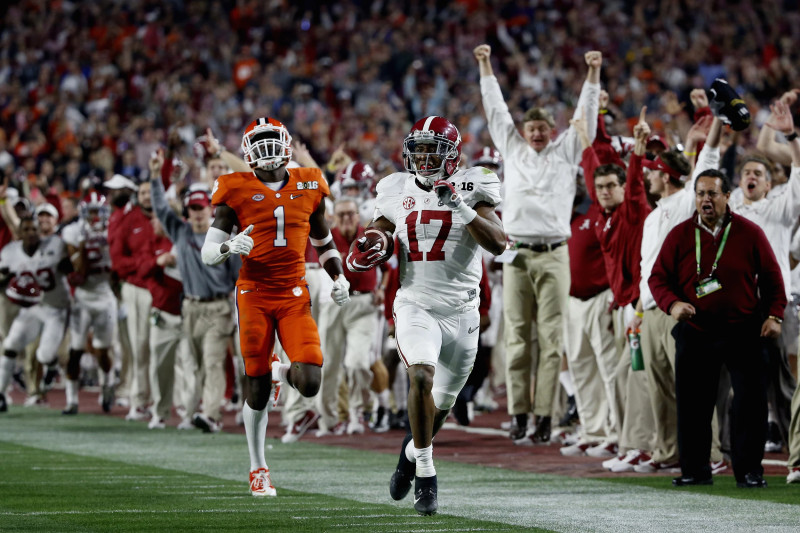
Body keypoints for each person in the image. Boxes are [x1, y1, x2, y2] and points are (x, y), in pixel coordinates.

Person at [347, 115, 505, 515]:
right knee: (419, 375)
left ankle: (409, 455)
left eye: (431, 149)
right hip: (416, 303)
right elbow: (378, 230)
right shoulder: (395, 188)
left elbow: (499, 244)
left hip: (463, 312)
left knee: (440, 406)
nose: (422, 157)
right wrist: (373, 243)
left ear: (451, 156)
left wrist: (464, 210)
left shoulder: (475, 184)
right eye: (417, 149)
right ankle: (427, 474)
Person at [201, 117, 350, 497]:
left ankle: (279, 372)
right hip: (254, 292)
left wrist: (339, 277)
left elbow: (324, 241)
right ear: (248, 150)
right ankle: (258, 468)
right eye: (260, 142)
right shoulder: (233, 188)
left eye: (273, 141)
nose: (267, 150)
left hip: (294, 291)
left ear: (285, 144)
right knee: (256, 390)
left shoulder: (310, 182)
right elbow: (207, 252)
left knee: (311, 381)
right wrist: (227, 248)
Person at [474, 44, 602, 443]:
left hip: (554, 253)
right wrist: (485, 66)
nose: (537, 133)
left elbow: (586, 119)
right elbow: (497, 111)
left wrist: (593, 76)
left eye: (543, 127)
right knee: (517, 339)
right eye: (531, 129)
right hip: (516, 253)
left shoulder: (566, 151)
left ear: (552, 129)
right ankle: (519, 414)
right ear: (523, 133)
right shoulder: (511, 148)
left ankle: (544, 416)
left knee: (550, 340)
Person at [649, 170, 787, 488]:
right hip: (696, 329)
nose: (705, 200)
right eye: (700, 194)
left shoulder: (750, 233)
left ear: (728, 196)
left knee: (750, 404)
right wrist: (672, 305)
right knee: (693, 404)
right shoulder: (680, 234)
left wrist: (774, 317)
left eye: (712, 193)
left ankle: (750, 471)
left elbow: (772, 279)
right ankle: (695, 470)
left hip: (744, 329)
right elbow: (658, 278)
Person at [149, 149, 240, 433]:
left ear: (210, 209)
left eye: (202, 208)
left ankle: (211, 414)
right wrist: (155, 177)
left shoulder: (224, 234)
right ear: (187, 211)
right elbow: (162, 209)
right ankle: (197, 410)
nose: (198, 213)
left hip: (217, 307)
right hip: (189, 307)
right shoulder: (181, 232)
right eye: (193, 209)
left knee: (213, 362)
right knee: (198, 364)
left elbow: (237, 275)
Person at [0, 216, 72, 412]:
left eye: (35, 229)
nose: (32, 233)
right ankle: (0, 394)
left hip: (55, 308)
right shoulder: (10, 252)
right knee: (9, 346)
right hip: (31, 308)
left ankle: (52, 365)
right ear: (20, 233)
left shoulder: (55, 245)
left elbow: (70, 268)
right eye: (27, 229)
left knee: (45, 354)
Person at [61, 191, 118, 414]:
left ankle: (107, 385)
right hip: (83, 296)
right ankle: (71, 399)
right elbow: (80, 272)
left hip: (105, 296)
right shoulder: (73, 232)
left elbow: (117, 269)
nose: (95, 217)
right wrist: (85, 243)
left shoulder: (112, 230)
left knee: (103, 351)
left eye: (98, 212)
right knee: (75, 350)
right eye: (91, 213)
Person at [108, 175, 156, 421]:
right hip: (136, 288)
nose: (147, 197)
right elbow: (117, 261)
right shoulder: (128, 220)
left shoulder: (166, 217)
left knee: (165, 348)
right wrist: (145, 264)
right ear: (138, 195)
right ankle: (138, 400)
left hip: (163, 289)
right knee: (139, 346)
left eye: (151, 192)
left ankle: (166, 402)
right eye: (144, 193)